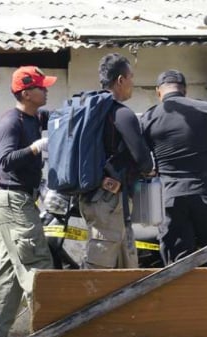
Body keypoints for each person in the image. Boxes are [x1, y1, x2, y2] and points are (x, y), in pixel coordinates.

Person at [0, 66, 57, 337]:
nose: (46, 90)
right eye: (41, 87)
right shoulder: (11, 122)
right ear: (26, 93)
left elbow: (62, 119)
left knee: (10, 270)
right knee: (38, 264)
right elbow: (6, 160)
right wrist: (36, 148)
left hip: (20, 200)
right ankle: (53, 335)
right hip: (13, 200)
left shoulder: (35, 117)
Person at [140, 69, 207, 267]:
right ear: (185, 90)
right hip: (206, 193)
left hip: (170, 197)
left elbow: (144, 163)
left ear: (158, 92)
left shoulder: (149, 117)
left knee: (177, 263)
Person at [79, 53, 154, 269]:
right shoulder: (121, 114)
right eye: (131, 77)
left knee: (124, 267)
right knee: (99, 268)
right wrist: (148, 170)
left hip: (92, 197)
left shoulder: (87, 110)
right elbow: (144, 161)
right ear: (120, 80)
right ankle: (84, 303)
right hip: (110, 201)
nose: (133, 83)